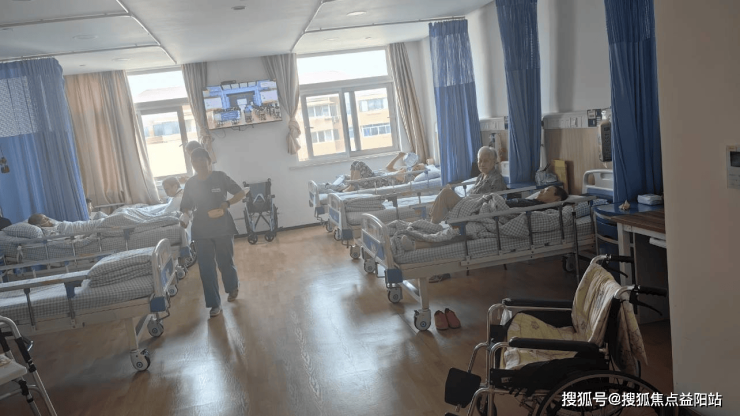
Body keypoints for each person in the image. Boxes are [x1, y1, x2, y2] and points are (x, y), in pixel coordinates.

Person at [179, 148, 246, 318]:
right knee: (206, 268)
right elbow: (186, 205)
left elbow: (240, 192)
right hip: (201, 229)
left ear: (209, 161)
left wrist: (227, 203)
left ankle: (232, 287)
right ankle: (214, 303)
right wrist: (185, 216)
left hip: (222, 226)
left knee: (225, 261)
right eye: (195, 161)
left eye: (202, 160)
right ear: (192, 164)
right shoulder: (191, 183)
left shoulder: (220, 177)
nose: (199, 164)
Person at [429, 146, 507, 224]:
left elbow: (494, 201)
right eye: (480, 160)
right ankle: (433, 222)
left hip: (476, 208)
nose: (482, 164)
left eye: (486, 161)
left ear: (494, 161)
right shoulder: (480, 177)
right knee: (445, 193)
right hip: (469, 204)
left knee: (446, 193)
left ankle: (433, 224)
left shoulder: (496, 178)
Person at [343, 152, 427, 192]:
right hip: (375, 176)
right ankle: (352, 185)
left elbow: (398, 176)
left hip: (374, 181)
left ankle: (353, 187)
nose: (416, 168)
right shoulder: (406, 171)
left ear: (420, 173)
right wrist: (398, 156)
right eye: (417, 166)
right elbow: (388, 168)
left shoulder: (409, 177)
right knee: (355, 163)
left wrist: (404, 170)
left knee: (360, 164)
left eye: (419, 168)